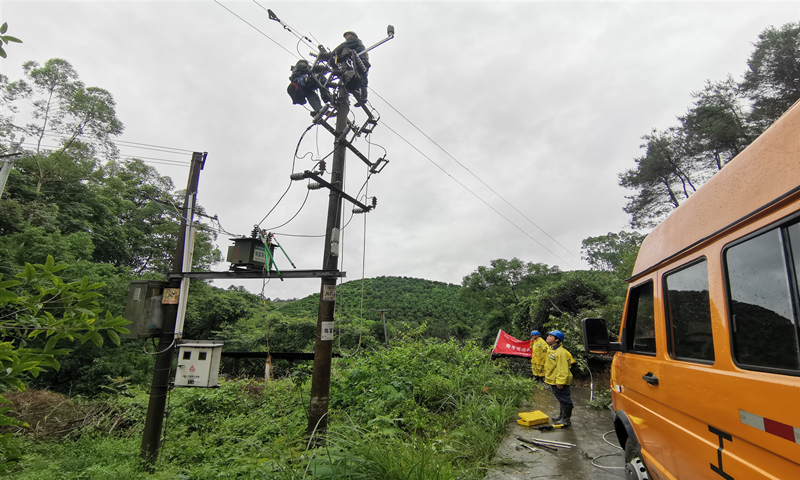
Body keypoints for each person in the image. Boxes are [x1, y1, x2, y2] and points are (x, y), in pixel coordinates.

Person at [544, 330, 575, 426]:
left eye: (550, 336)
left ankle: (566, 420)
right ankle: (561, 416)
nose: (548, 337)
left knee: (565, 399)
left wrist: (560, 382)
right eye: (548, 335)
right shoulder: (552, 349)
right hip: (554, 379)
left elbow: (563, 368)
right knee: (561, 399)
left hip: (559, 380)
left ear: (556, 340)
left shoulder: (561, 352)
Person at [332, 31, 370, 102]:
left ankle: (363, 97)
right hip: (360, 61)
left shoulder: (354, 41)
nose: (346, 37)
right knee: (358, 77)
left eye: (347, 35)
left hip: (362, 61)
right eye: (345, 36)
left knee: (362, 78)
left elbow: (342, 46)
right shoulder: (354, 43)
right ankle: (360, 94)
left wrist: (331, 54)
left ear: (353, 36)